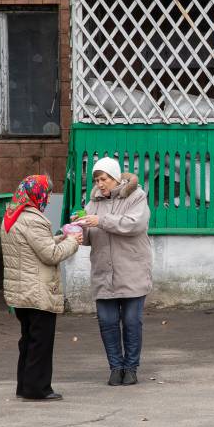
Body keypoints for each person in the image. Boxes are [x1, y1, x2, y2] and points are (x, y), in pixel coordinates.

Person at [0, 174, 81, 402]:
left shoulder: (12, 215)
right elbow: (50, 255)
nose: (46, 197)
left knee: (28, 340)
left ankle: (24, 386)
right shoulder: (33, 219)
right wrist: (73, 241)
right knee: (41, 342)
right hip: (38, 291)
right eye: (46, 192)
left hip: (21, 291)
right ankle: (38, 388)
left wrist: (60, 237)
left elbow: (33, 248)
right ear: (38, 194)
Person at [77, 157, 153, 386]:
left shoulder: (136, 196)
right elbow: (90, 235)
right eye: (97, 180)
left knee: (132, 321)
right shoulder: (92, 202)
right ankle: (115, 367)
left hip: (132, 269)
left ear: (115, 177)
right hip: (103, 271)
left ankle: (131, 367)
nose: (100, 184)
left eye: (104, 179)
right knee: (107, 321)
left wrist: (100, 221)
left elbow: (133, 224)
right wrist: (80, 228)